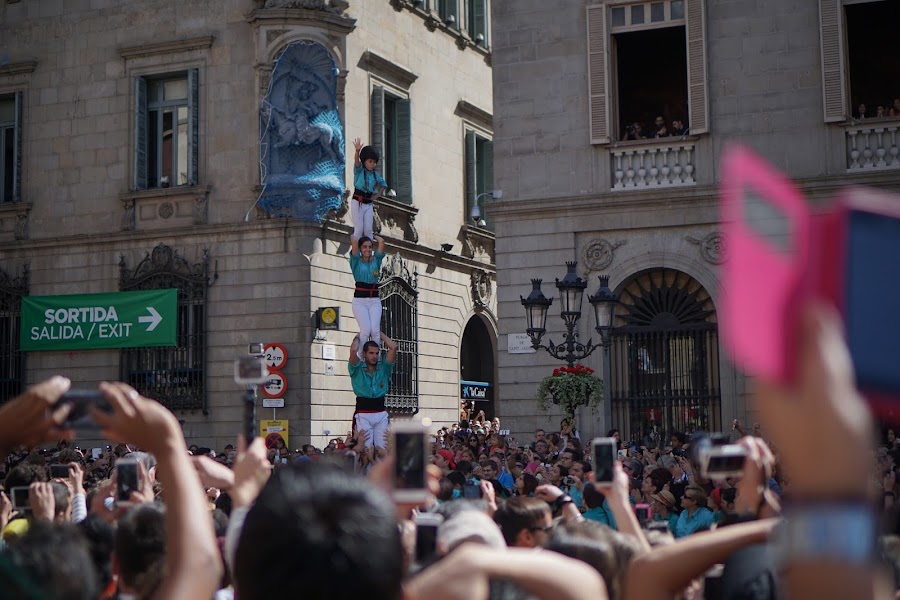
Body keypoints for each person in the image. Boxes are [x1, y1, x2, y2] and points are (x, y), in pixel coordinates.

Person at [348, 333, 398, 453]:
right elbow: (353, 350)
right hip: (363, 413)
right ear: (364, 354)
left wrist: (377, 332)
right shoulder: (356, 368)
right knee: (365, 449)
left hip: (380, 412)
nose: (374, 356)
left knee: (383, 448)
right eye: (371, 353)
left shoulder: (384, 368)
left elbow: (393, 347)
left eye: (376, 353)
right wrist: (360, 335)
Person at [349, 233, 386, 353]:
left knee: (375, 331)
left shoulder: (376, 261)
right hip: (360, 301)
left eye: (370, 247)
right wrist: (359, 233)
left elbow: (381, 242)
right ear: (360, 249)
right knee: (365, 330)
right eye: (364, 247)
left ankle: (377, 357)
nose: (368, 249)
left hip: (374, 300)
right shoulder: (356, 261)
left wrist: (372, 234)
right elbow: (353, 240)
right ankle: (361, 356)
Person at [351, 138, 387, 241]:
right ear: (365, 161)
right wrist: (357, 151)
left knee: (368, 230)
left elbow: (383, 185)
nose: (372, 164)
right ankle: (355, 252)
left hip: (368, 204)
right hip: (358, 201)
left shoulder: (375, 175)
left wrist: (376, 196)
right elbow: (357, 161)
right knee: (359, 229)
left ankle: (368, 252)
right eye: (370, 161)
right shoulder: (360, 171)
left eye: (374, 162)